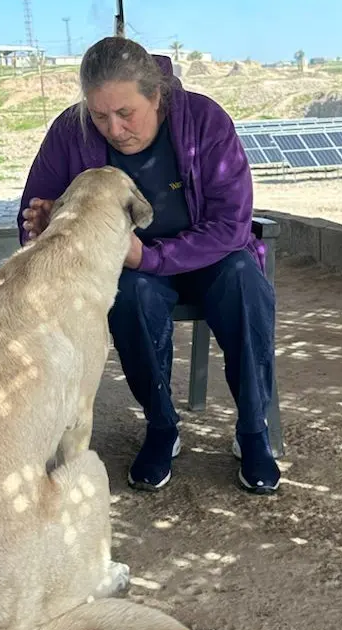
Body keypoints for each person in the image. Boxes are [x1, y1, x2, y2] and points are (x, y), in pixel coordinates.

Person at [17, 37, 279, 494]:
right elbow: (36, 211)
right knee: (130, 297)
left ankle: (253, 430)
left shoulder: (205, 120)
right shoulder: (71, 131)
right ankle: (161, 426)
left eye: (125, 114)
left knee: (245, 284)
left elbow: (231, 225)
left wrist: (151, 255)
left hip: (210, 257)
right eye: (100, 116)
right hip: (132, 268)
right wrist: (44, 224)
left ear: (157, 96)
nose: (114, 130)